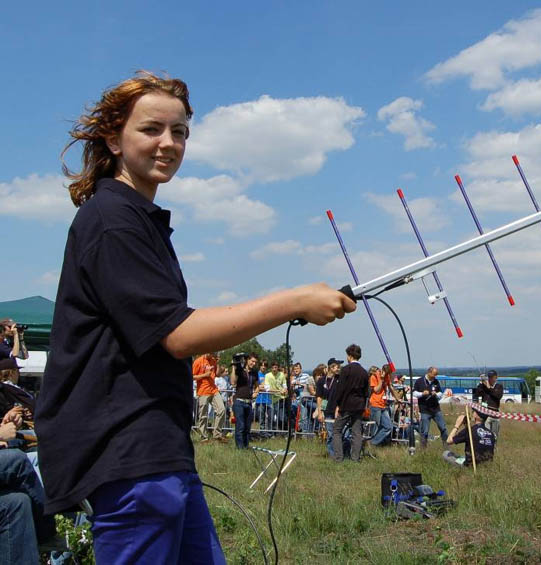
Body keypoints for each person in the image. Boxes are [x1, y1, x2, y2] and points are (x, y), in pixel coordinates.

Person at [34, 71, 356, 564]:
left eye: (180, 131)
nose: (168, 142)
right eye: (151, 129)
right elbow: (179, 334)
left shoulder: (138, 220)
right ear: (113, 137)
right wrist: (294, 301)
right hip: (131, 462)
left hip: (162, 455)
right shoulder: (110, 220)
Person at [330, 345, 370, 462]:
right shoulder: (364, 372)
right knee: (357, 432)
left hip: (346, 405)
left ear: (350, 356)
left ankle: (338, 457)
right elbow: (367, 392)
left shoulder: (346, 370)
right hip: (359, 406)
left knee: (337, 430)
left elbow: (340, 389)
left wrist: (337, 404)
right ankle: (355, 458)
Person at [192, 352, 227, 443]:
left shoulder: (213, 361)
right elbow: (192, 376)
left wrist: (218, 363)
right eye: (210, 352)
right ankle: (204, 436)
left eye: (213, 352)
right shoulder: (198, 361)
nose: (212, 354)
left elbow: (217, 374)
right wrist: (204, 375)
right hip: (203, 391)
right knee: (203, 415)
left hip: (214, 390)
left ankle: (217, 435)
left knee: (222, 409)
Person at [413, 367, 448, 448]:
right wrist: (422, 394)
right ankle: (423, 449)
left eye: (436, 375)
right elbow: (414, 393)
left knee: (443, 428)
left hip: (436, 409)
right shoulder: (419, 381)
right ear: (429, 372)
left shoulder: (435, 381)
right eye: (434, 374)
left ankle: (446, 446)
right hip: (425, 409)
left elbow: (440, 393)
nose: (434, 376)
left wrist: (436, 394)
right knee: (424, 431)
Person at [369, 364, 402, 447]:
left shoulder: (387, 377)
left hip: (383, 404)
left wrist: (397, 398)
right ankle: (370, 443)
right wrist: (381, 379)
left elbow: (390, 387)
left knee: (388, 427)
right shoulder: (374, 377)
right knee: (375, 426)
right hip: (375, 404)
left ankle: (373, 442)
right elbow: (376, 390)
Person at [231, 354, 258, 449]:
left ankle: (246, 446)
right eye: (252, 361)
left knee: (247, 427)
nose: (253, 363)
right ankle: (240, 448)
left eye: (255, 362)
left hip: (249, 402)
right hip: (239, 401)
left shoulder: (254, 372)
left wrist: (256, 393)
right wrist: (234, 367)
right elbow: (233, 382)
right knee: (240, 426)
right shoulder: (240, 370)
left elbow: (257, 385)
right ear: (247, 360)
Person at [316, 359, 341, 457]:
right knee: (330, 433)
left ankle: (340, 453)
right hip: (327, 410)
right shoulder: (321, 381)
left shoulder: (339, 379)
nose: (338, 369)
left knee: (339, 433)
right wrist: (319, 411)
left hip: (338, 411)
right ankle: (332, 455)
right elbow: (319, 397)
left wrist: (338, 408)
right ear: (331, 367)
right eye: (336, 367)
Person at [473, 369, 503, 440]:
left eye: (492, 377)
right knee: (485, 435)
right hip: (485, 415)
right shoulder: (484, 387)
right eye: (489, 377)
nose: (491, 379)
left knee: (494, 436)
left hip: (495, 415)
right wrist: (481, 383)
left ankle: (494, 449)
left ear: (496, 378)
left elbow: (498, 396)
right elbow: (477, 394)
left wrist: (489, 388)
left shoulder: (499, 386)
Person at [265, 362, 288, 431]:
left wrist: (285, 390)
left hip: (281, 399)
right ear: (271, 368)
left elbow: (285, 385)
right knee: (271, 418)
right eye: (273, 368)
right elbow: (267, 389)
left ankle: (282, 432)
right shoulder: (267, 375)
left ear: (278, 368)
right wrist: (278, 391)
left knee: (282, 418)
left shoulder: (282, 375)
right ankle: (270, 433)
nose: (274, 369)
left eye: (276, 367)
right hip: (270, 399)